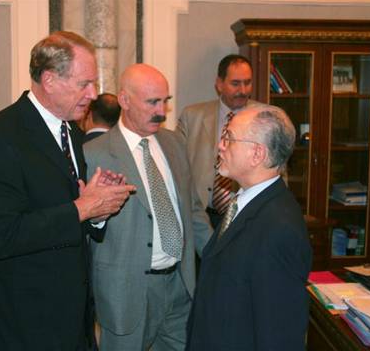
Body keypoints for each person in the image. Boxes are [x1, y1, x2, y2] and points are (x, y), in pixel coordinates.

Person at [0, 31, 135, 351]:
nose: (93, 94)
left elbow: (73, 215)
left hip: (72, 316)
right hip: (23, 319)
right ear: (50, 80)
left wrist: (99, 210)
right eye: (84, 84)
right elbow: (3, 235)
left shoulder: (72, 135)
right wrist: (83, 208)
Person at [84, 64, 211, 351]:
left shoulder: (175, 143)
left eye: (165, 100)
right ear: (124, 101)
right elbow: (84, 225)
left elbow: (192, 209)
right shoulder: (93, 153)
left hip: (180, 284)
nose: (162, 111)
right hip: (125, 290)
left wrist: (218, 255)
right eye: (152, 101)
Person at [186, 105, 312, 351]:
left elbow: (279, 334)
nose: (220, 145)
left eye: (229, 138)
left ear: (257, 154)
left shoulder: (279, 227)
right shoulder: (244, 202)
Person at [176, 54, 262, 228]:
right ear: (219, 84)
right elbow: (177, 165)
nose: (243, 90)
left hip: (249, 215)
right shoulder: (192, 116)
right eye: (236, 83)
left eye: (248, 82)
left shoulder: (265, 117)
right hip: (203, 217)